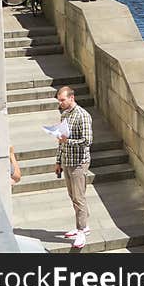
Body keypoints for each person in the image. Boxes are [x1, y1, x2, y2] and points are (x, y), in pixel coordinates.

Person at [54, 85, 93, 249]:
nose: (60, 103)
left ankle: (81, 231)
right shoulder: (64, 114)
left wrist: (66, 141)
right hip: (67, 161)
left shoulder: (83, 115)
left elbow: (87, 141)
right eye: (59, 100)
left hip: (78, 163)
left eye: (62, 100)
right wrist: (58, 161)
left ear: (72, 98)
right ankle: (83, 225)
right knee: (73, 196)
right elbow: (60, 141)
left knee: (79, 197)